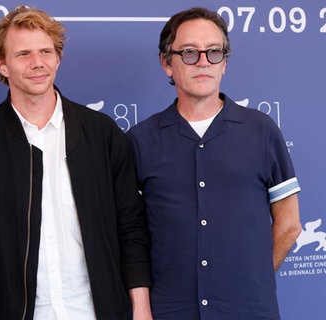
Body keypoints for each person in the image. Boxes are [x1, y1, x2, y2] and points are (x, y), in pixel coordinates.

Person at [0, 5, 151, 320]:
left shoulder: (101, 132)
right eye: (23, 54)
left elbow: (131, 227)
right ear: (2, 65)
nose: (37, 64)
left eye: (46, 51)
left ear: (58, 58)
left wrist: (141, 310)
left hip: (98, 311)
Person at [126, 7, 302, 320]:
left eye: (214, 52)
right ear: (167, 63)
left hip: (250, 311)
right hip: (170, 311)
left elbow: (289, 224)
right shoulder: (140, 140)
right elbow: (132, 235)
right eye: (190, 53)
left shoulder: (262, 130)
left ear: (225, 63)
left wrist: (252, 279)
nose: (204, 62)